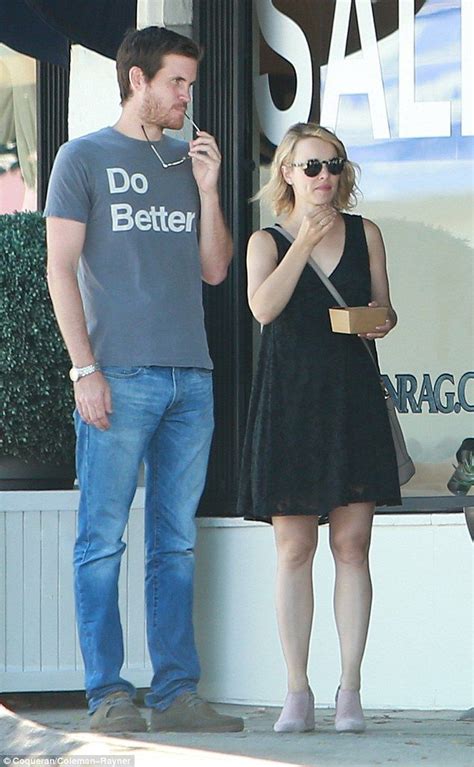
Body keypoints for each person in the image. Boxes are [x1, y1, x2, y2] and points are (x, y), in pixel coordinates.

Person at [45, 26, 243, 735]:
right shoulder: (83, 157)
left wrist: (210, 189)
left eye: (188, 84)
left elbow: (215, 269)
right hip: (117, 373)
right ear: (138, 82)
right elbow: (58, 268)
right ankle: (107, 693)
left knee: (176, 540)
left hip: (192, 374)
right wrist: (84, 369)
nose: (187, 96)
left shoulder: (184, 164)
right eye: (178, 83)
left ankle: (177, 692)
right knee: (101, 537)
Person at [237, 122, 402, 734]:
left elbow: (386, 306)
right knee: (294, 549)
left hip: (351, 398)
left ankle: (350, 689)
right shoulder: (266, 241)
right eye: (311, 167)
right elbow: (263, 309)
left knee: (352, 545)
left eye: (333, 166)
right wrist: (302, 244)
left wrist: (378, 321)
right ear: (287, 173)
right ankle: (296, 689)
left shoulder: (366, 233)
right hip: (291, 401)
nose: (324, 178)